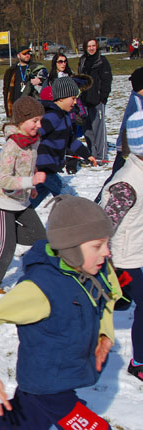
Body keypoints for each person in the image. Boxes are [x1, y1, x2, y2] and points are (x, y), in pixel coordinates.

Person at [0, 195, 121, 430]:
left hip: (63, 375)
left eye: (107, 244)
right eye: (98, 246)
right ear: (71, 246)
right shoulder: (40, 288)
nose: (107, 252)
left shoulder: (96, 271)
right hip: (48, 385)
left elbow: (110, 297)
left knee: (23, 419)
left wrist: (105, 335)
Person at [0, 97, 47, 294]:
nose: (38, 125)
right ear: (21, 121)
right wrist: (30, 182)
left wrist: (30, 183)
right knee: (7, 248)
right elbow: (5, 181)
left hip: (22, 200)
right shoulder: (11, 146)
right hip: (5, 201)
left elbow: (29, 166)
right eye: (34, 121)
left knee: (40, 238)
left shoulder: (34, 141)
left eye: (40, 120)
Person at [100, 111, 143, 383]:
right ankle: (138, 362)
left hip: (136, 252)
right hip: (124, 258)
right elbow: (105, 224)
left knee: (120, 302)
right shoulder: (127, 184)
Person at [30, 77, 97, 208]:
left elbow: (70, 141)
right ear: (61, 98)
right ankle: (74, 218)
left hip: (51, 166)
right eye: (73, 98)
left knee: (39, 193)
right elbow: (34, 134)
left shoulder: (65, 116)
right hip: (44, 165)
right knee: (65, 195)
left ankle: (21, 215)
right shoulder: (52, 116)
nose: (75, 102)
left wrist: (86, 154)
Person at [95, 67, 143, 203]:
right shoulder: (137, 103)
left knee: (119, 176)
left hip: (133, 147)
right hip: (128, 148)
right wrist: (127, 152)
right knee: (117, 176)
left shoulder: (138, 98)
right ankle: (99, 201)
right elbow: (129, 130)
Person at [78, 38, 112, 161]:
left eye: (93, 46)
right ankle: (92, 154)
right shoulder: (82, 61)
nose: (91, 48)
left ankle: (101, 156)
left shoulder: (102, 61)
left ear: (97, 47)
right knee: (87, 129)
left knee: (98, 129)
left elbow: (107, 80)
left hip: (98, 100)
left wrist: (103, 97)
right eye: (89, 46)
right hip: (84, 99)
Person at [2, 46, 42, 118]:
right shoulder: (10, 71)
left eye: (28, 53)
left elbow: (46, 82)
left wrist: (40, 81)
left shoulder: (37, 68)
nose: (27, 55)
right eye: (24, 54)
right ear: (18, 55)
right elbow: (6, 90)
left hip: (32, 105)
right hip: (16, 107)